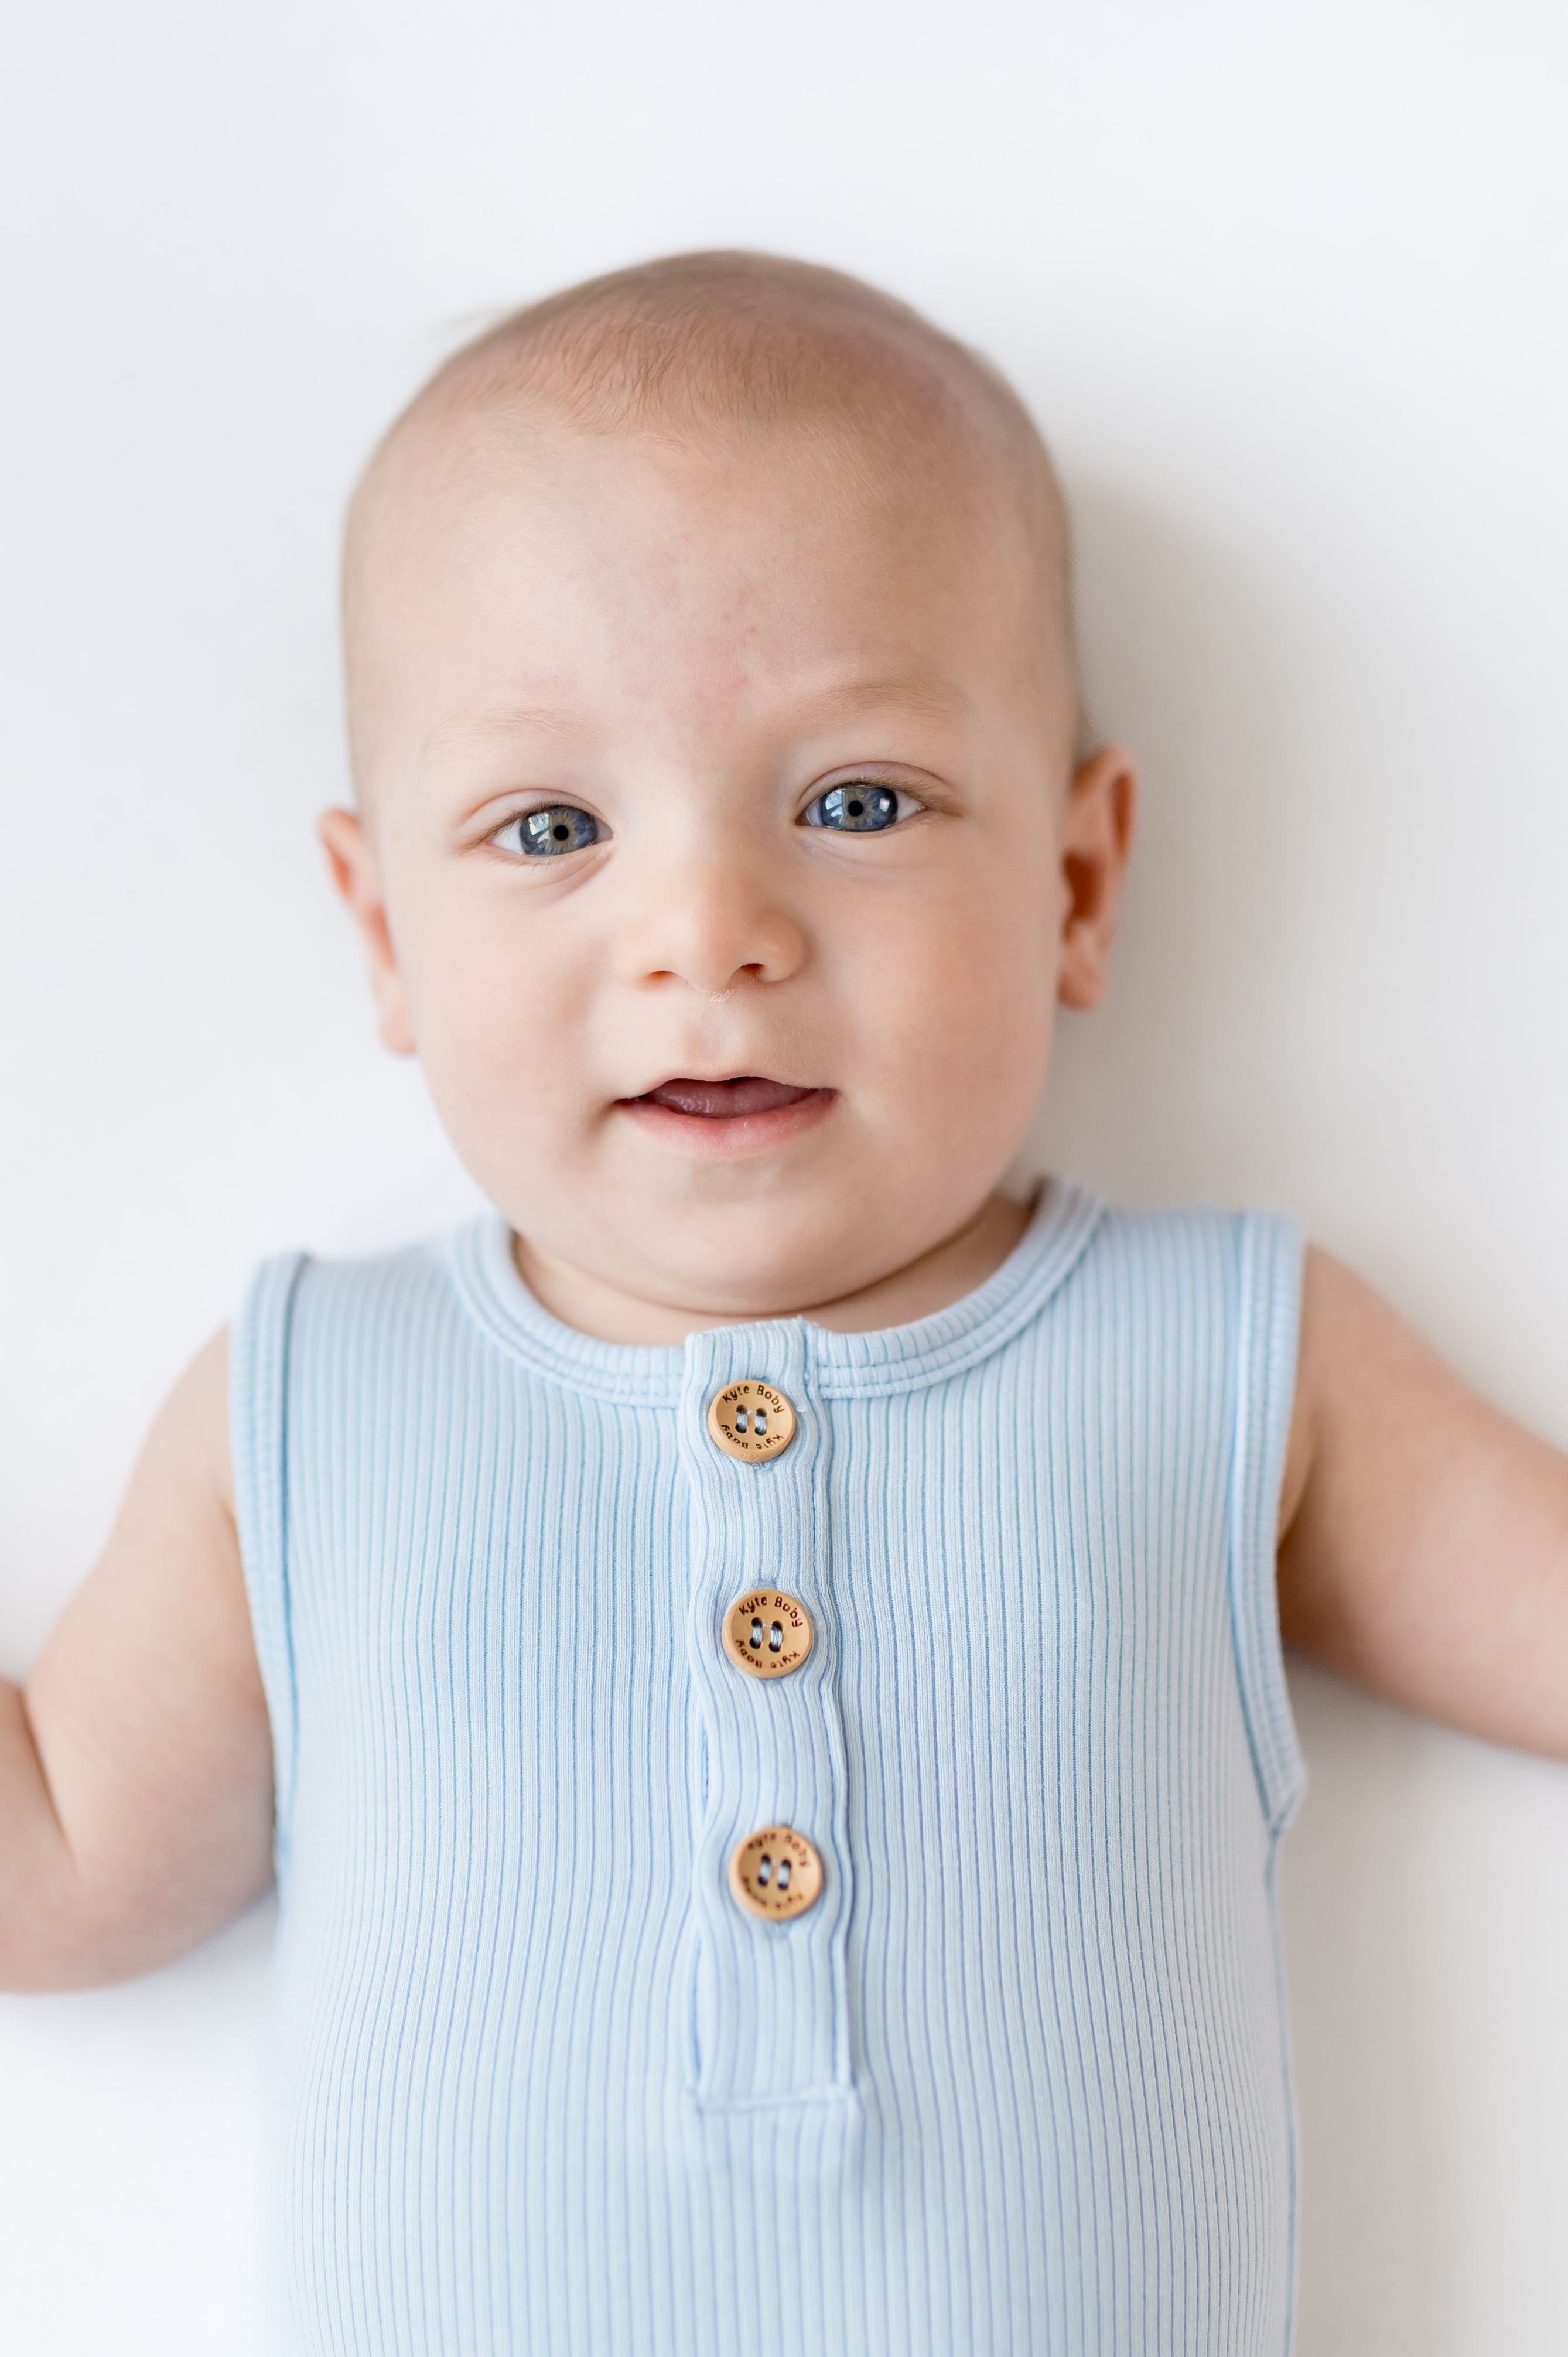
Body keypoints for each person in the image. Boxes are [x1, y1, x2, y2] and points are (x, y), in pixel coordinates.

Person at [4, 251, 1564, 2356]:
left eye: (857, 804)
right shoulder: (315, 1401)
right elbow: (70, 1856)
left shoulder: (1224, 1358)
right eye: (551, 827)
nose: (708, 932)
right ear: (383, 930)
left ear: (1080, 885)